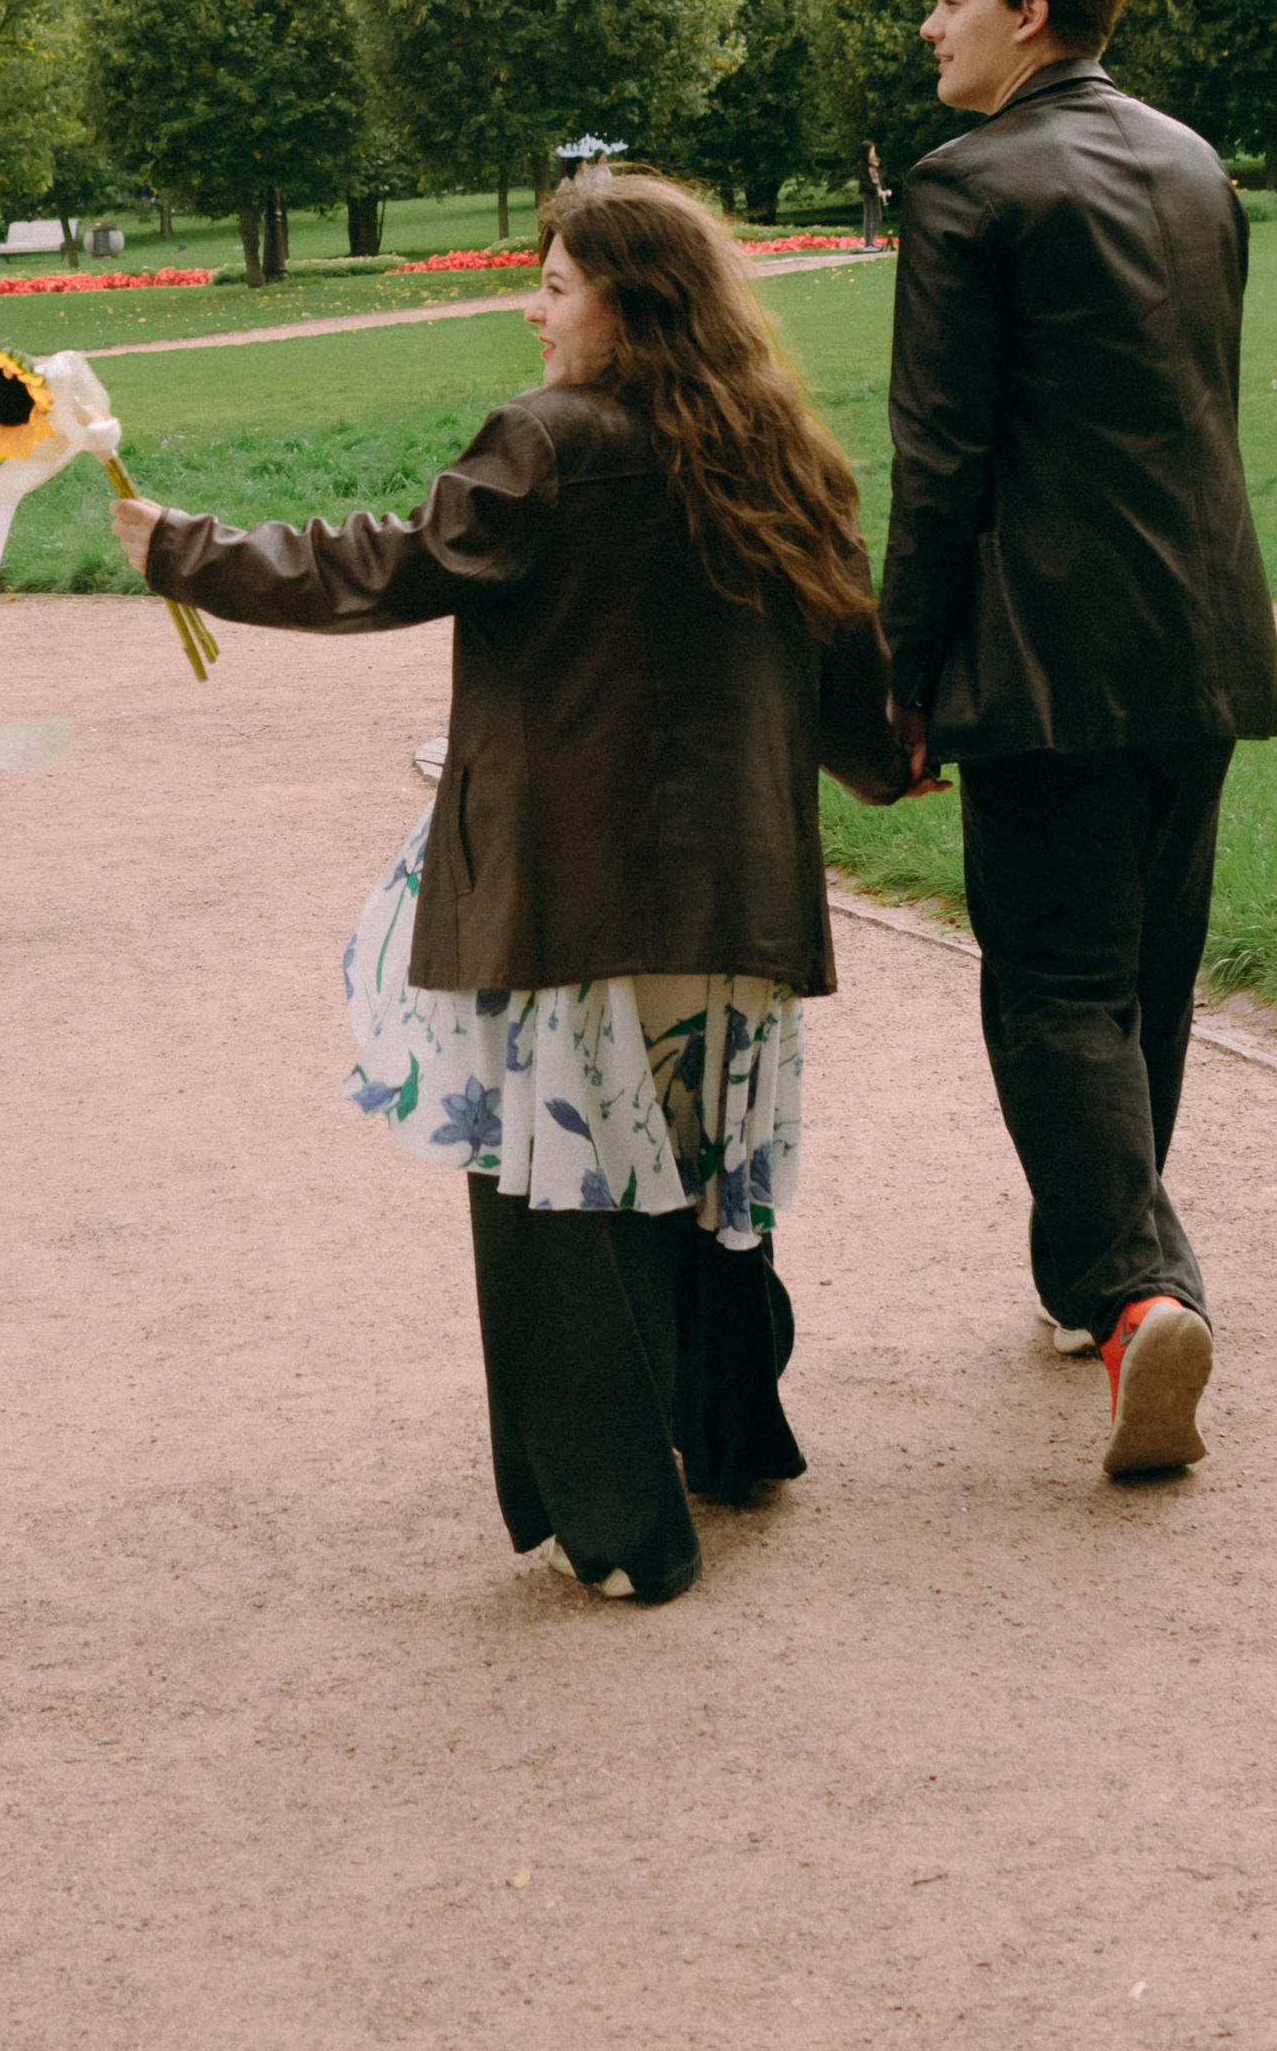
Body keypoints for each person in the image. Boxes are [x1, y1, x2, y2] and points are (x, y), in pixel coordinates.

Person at [108, 171, 912, 1605]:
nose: (529, 308)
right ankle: (730, 1438)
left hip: (575, 900)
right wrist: (890, 765)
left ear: (628, 299)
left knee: (567, 1207)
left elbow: (388, 566)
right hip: (735, 904)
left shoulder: (549, 445)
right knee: (703, 1172)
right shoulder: (779, 443)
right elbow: (846, 657)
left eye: (553, 284)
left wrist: (186, 548)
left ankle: (622, 1528)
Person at [880, 0, 1277, 1479]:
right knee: (1147, 972)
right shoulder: (1197, 165)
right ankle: (1097, 1278)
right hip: (1208, 640)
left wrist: (903, 671)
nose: (934, 25)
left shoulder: (966, 185)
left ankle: (1132, 1295)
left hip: (1045, 654)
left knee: (1052, 985)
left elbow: (941, 459)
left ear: (1027, 12)